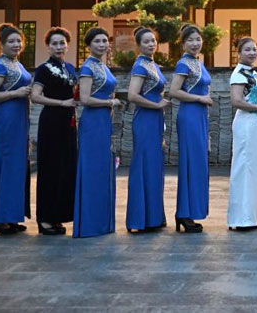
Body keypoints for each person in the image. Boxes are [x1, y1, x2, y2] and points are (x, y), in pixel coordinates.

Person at [0, 23, 32, 236]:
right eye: (11, 41)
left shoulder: (17, 64)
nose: (16, 44)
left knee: (16, 168)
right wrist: (14, 94)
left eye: (18, 41)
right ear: (0, 44)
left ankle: (10, 216)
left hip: (19, 120)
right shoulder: (0, 65)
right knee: (3, 166)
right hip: (5, 121)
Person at [29, 27, 77, 235]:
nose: (59, 47)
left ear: (68, 44)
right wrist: (61, 102)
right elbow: (35, 96)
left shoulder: (71, 68)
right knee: (49, 169)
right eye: (54, 43)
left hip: (68, 123)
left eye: (62, 43)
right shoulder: (43, 69)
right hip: (51, 121)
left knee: (65, 169)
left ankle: (58, 216)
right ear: (47, 46)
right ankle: (45, 219)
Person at [74, 27, 120, 238]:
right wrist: (109, 101)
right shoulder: (87, 67)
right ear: (89, 45)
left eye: (104, 41)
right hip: (93, 122)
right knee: (92, 169)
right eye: (97, 41)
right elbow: (84, 99)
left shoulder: (103, 66)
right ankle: (91, 223)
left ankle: (103, 222)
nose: (102, 44)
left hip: (104, 120)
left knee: (104, 169)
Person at [168, 24, 213, 233]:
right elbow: (174, 91)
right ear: (183, 43)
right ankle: (184, 213)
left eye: (198, 39)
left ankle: (188, 212)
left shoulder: (198, 62)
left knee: (198, 164)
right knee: (191, 163)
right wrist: (199, 98)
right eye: (190, 40)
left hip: (200, 116)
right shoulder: (183, 63)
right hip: (189, 116)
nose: (195, 43)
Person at [126, 27, 169, 233]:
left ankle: (153, 217)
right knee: (144, 165)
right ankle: (139, 219)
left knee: (154, 166)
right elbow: (132, 95)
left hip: (155, 120)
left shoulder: (152, 64)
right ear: (138, 45)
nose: (151, 44)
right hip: (144, 119)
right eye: (146, 42)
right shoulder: (140, 66)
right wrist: (157, 105)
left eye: (153, 41)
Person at [228, 36, 257, 230]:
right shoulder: (238, 73)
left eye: (254, 49)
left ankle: (254, 215)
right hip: (246, 124)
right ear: (238, 53)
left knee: (254, 167)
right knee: (244, 167)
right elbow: (236, 101)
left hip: (255, 124)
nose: (253, 52)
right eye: (247, 49)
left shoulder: (251, 73)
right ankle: (242, 217)